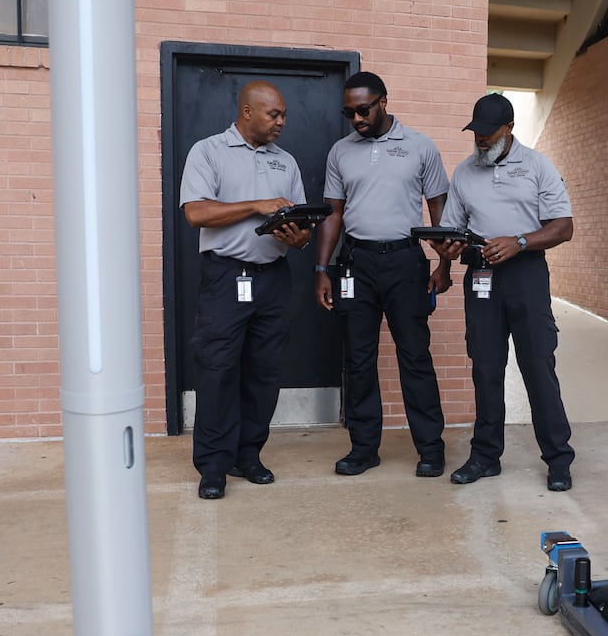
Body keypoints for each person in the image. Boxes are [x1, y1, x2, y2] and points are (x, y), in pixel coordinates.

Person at [430, 93, 575, 492]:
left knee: (538, 367)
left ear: (509, 129)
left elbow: (563, 226)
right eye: (475, 132)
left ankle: (558, 459)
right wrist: (445, 257)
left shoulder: (537, 167)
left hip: (526, 274)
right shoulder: (463, 173)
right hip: (480, 276)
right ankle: (485, 456)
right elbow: (453, 227)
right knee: (486, 368)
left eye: (487, 133)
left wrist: (521, 242)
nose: (480, 140)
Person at [313, 72, 451, 478]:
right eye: (348, 112)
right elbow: (333, 213)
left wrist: (444, 263)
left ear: (383, 101)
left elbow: (439, 207)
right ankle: (363, 448)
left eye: (363, 109)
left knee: (415, 357)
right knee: (358, 359)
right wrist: (323, 269)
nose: (355, 118)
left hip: (406, 263)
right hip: (356, 264)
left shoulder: (420, 146)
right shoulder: (341, 152)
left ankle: (430, 448)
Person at [180, 81, 311, 500]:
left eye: (284, 115)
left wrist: (298, 238)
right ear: (247, 112)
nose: (281, 123)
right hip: (225, 278)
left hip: (273, 278)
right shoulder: (208, 151)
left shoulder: (285, 161)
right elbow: (197, 212)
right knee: (217, 370)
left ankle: (248, 455)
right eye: (274, 115)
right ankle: (214, 466)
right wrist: (256, 205)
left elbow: (303, 229)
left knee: (264, 371)